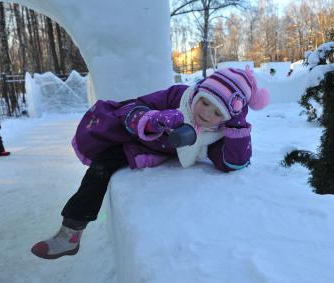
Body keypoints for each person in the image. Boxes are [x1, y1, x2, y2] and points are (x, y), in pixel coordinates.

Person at [31, 66, 270, 260]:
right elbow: (132, 108)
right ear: (198, 92)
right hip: (135, 139)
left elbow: (232, 163)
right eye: (205, 102)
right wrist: (154, 120)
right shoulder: (178, 96)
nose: (207, 114)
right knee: (101, 168)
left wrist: (237, 127)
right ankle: (71, 231)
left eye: (218, 112)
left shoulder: (218, 133)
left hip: (156, 153)